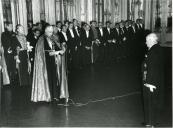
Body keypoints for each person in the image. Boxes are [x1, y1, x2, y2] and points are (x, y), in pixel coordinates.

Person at [31, 25, 68, 102]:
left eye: (52, 32)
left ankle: (55, 95)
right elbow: (43, 52)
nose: (51, 33)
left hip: (53, 61)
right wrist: (56, 52)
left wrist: (61, 50)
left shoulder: (52, 37)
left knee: (55, 78)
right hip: (45, 62)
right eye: (50, 32)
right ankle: (48, 95)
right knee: (48, 79)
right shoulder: (41, 39)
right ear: (46, 31)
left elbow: (56, 47)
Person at [142, 33, 165, 127]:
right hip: (157, 80)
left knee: (150, 102)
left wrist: (150, 83)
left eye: (147, 41)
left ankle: (150, 123)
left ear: (151, 41)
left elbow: (152, 68)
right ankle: (150, 121)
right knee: (153, 102)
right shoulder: (159, 49)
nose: (146, 43)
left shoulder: (152, 52)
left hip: (151, 81)